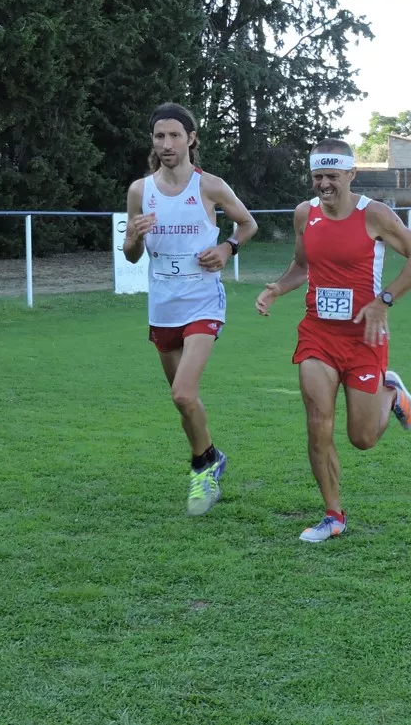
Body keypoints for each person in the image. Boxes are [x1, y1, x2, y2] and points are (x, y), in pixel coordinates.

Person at [254, 138, 411, 543]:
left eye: (332, 176)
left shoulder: (376, 215)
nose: (324, 184)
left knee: (363, 438)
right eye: (318, 176)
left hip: (364, 338)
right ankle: (333, 514)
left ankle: (392, 394)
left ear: (351, 174)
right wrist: (277, 290)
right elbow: (302, 265)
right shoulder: (305, 215)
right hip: (318, 334)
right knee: (318, 424)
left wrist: (382, 301)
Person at [122, 102, 258, 517]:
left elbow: (248, 223)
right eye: (159, 136)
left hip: (202, 299)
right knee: (183, 401)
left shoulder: (209, 186)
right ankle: (209, 458)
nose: (166, 144)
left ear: (191, 139)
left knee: (183, 391)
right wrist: (134, 237)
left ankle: (202, 466)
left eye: (175, 135)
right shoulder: (140, 191)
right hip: (162, 304)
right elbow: (131, 257)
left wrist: (226, 247)